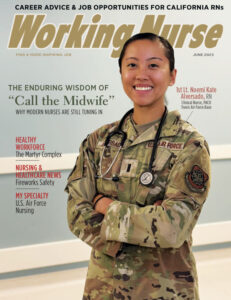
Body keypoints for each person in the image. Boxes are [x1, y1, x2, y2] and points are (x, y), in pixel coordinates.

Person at [65, 32, 211, 300]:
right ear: (121, 72)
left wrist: (104, 206)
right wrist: (143, 221)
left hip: (163, 290)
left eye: (153, 65)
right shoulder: (99, 141)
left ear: (172, 75)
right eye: (132, 65)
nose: (141, 74)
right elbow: (75, 213)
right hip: (103, 288)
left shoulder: (190, 145)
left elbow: (171, 229)